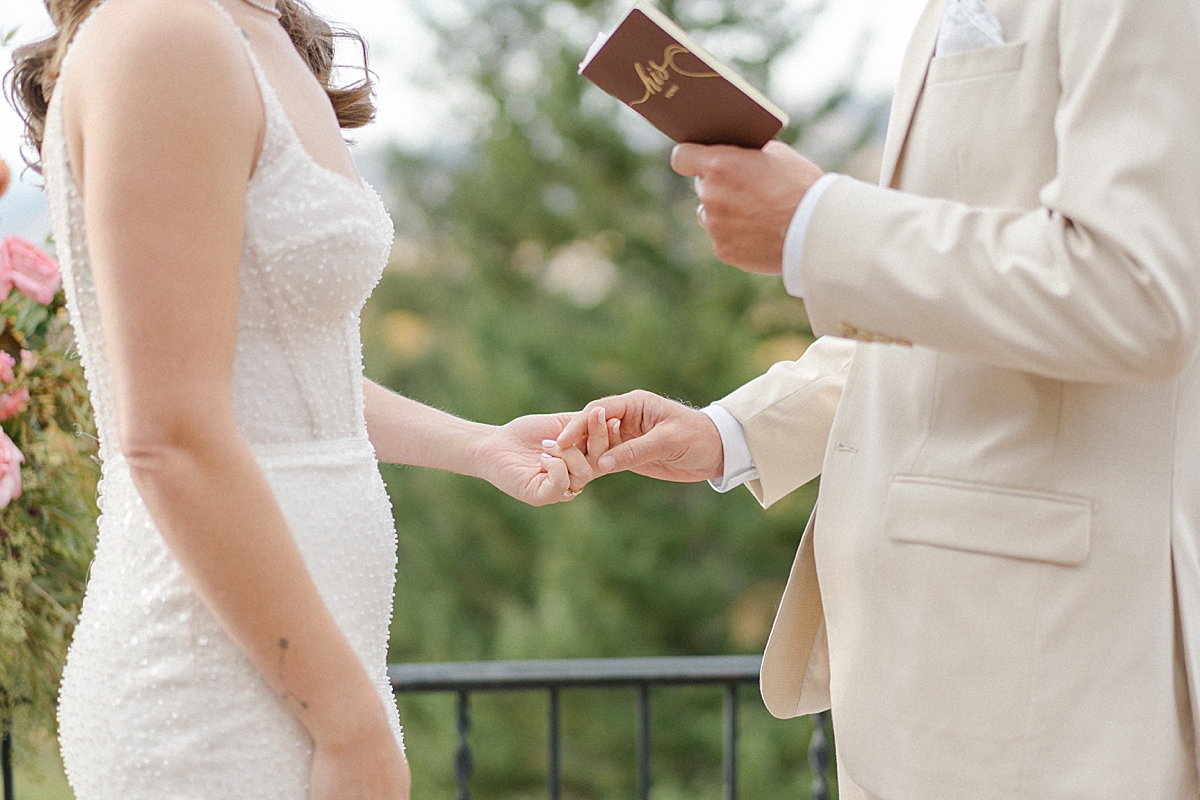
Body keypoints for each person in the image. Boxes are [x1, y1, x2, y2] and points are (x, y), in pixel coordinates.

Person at [556, 0, 1200, 796]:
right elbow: (945, 323)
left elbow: (1134, 292)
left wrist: (815, 226)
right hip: (918, 670)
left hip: (1043, 665)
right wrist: (733, 431)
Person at [8, 0, 612, 797]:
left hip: (305, 672)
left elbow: (271, 378)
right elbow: (170, 436)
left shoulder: (256, 29)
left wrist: (476, 444)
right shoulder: (163, 30)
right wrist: (347, 727)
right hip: (212, 685)